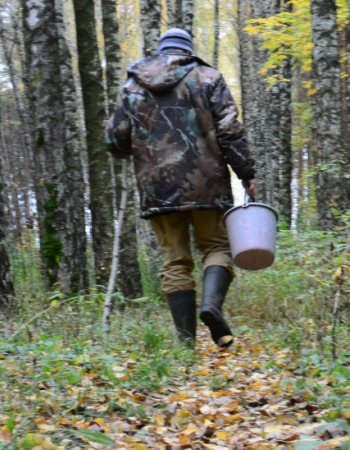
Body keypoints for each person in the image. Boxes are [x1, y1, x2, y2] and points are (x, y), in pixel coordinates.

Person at [105, 28, 257, 348]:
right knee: (217, 247)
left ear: (160, 50)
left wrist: (140, 151)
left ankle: (186, 345)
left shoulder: (132, 85)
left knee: (174, 261)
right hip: (208, 184)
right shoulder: (207, 77)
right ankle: (211, 307)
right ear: (188, 50)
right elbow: (230, 130)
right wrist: (246, 172)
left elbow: (114, 138)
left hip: (157, 187)